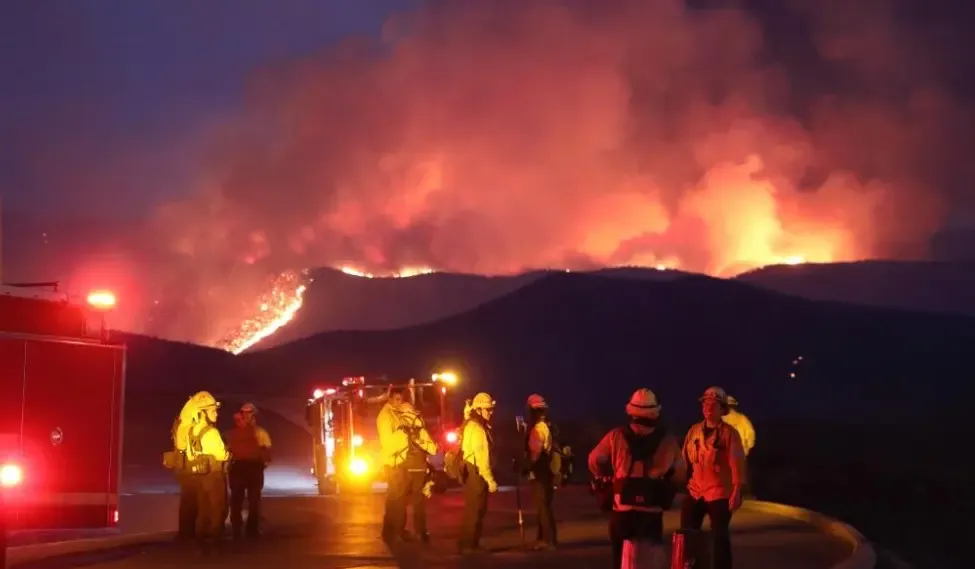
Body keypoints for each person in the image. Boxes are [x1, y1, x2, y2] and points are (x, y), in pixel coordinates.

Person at [589, 389, 684, 569]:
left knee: (620, 560)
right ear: (655, 413)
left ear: (631, 411)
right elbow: (681, 473)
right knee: (648, 561)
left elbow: (594, 460)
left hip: (622, 509)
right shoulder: (668, 440)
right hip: (652, 511)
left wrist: (606, 476)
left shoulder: (616, 435)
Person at [680, 386, 746, 569]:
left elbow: (737, 462)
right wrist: (684, 483)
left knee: (719, 538)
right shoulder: (694, 431)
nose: (708, 408)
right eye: (706, 404)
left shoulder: (729, 434)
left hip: (719, 493)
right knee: (687, 534)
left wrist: (737, 490)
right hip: (696, 491)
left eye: (714, 405)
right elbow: (684, 460)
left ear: (722, 409)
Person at [183, 391, 230, 554]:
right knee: (218, 508)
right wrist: (228, 454)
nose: (216, 413)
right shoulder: (211, 432)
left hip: (199, 477)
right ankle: (216, 543)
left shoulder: (191, 433)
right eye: (212, 410)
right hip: (214, 476)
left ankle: (200, 544)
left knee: (203, 510)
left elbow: (189, 455)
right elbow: (222, 454)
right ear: (202, 413)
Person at [458, 392, 499, 554]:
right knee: (476, 510)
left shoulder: (471, 424)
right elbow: (483, 458)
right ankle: (469, 546)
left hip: (471, 471)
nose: (491, 413)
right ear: (479, 410)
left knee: (472, 509)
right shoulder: (478, 429)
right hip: (477, 474)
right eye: (488, 410)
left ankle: (467, 543)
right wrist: (491, 481)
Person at [225, 403, 272, 540]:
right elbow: (267, 452)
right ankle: (252, 530)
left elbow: (226, 451)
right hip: (254, 468)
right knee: (254, 500)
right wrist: (264, 462)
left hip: (237, 468)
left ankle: (236, 530)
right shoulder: (260, 432)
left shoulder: (230, 433)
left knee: (236, 500)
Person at [524, 393, 558, 551]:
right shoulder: (546, 426)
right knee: (543, 506)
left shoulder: (538, 428)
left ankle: (548, 540)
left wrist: (526, 466)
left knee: (543, 507)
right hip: (546, 472)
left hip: (541, 473)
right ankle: (543, 538)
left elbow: (535, 454)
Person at [722, 395, 755, 495]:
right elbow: (751, 436)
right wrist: (746, 449)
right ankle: (744, 496)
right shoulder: (742, 419)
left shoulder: (719, 420)